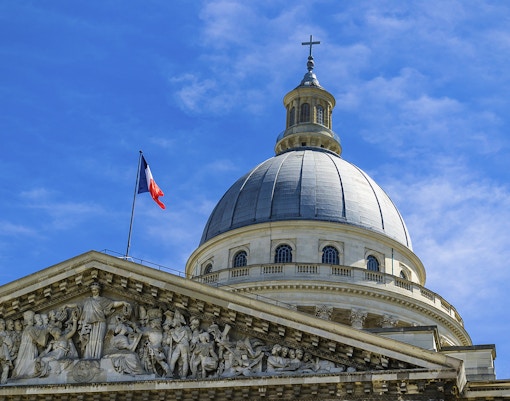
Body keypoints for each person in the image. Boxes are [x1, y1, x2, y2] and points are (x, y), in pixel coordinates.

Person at [63, 282, 130, 359]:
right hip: (88, 324)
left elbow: (113, 304)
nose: (93, 291)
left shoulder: (103, 300)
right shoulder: (87, 300)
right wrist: (67, 305)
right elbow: (77, 305)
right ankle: (87, 358)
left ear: (98, 290)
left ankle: (97, 358)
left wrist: (123, 302)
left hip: (100, 322)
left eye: (95, 290)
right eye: (92, 290)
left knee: (98, 341)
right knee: (88, 342)